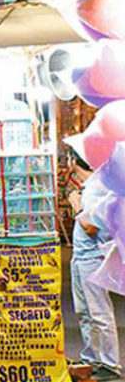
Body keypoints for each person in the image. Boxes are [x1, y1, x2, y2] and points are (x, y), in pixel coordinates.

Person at [68, 153, 121, 381]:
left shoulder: (96, 188)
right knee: (84, 312)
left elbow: (91, 226)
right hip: (80, 257)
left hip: (92, 258)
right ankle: (92, 358)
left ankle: (110, 364)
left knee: (99, 313)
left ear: (72, 162)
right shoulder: (90, 187)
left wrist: (77, 205)